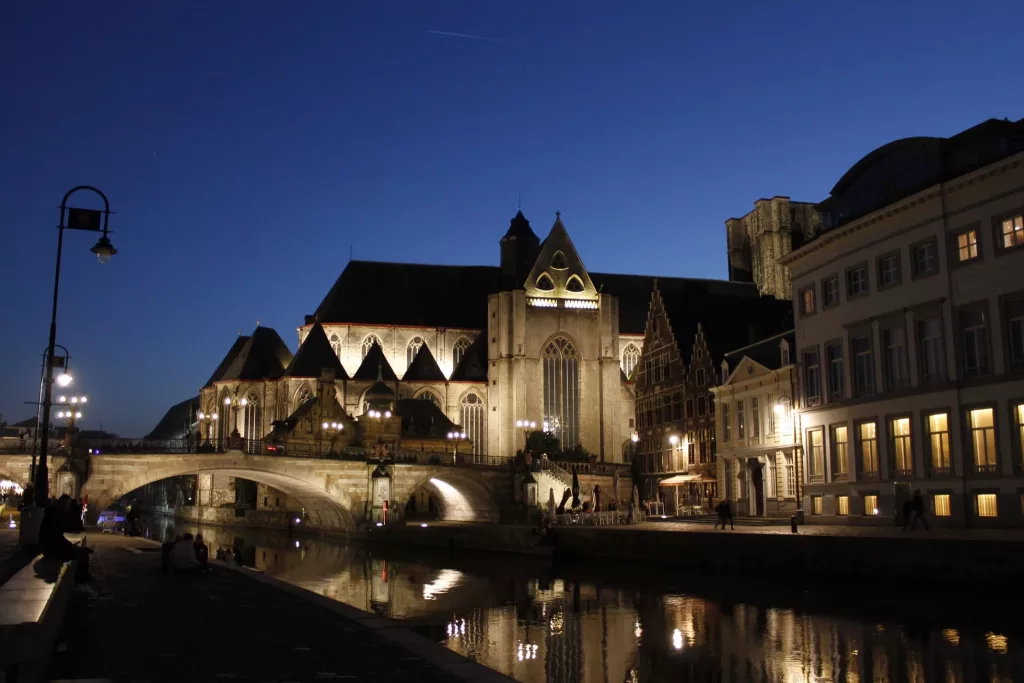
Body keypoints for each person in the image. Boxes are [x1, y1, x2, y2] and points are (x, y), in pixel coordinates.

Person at [39, 494, 92, 582]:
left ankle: (83, 578)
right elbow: (56, 538)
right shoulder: (55, 515)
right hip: (50, 550)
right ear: (61, 504)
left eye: (69, 505)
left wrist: (71, 546)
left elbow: (57, 537)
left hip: (49, 547)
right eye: (67, 504)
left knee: (81, 551)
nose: (68, 507)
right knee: (82, 554)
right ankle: (81, 581)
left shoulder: (54, 513)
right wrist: (71, 546)